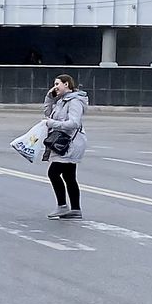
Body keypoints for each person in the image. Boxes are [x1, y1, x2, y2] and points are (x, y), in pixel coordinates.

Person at [42, 74, 88, 219]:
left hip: (70, 143)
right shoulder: (61, 101)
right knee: (69, 176)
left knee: (53, 173)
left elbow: (73, 123)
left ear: (66, 84)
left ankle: (62, 206)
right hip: (63, 142)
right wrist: (49, 98)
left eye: (57, 84)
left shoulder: (74, 101)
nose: (55, 87)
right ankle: (75, 209)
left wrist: (53, 124)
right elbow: (48, 114)